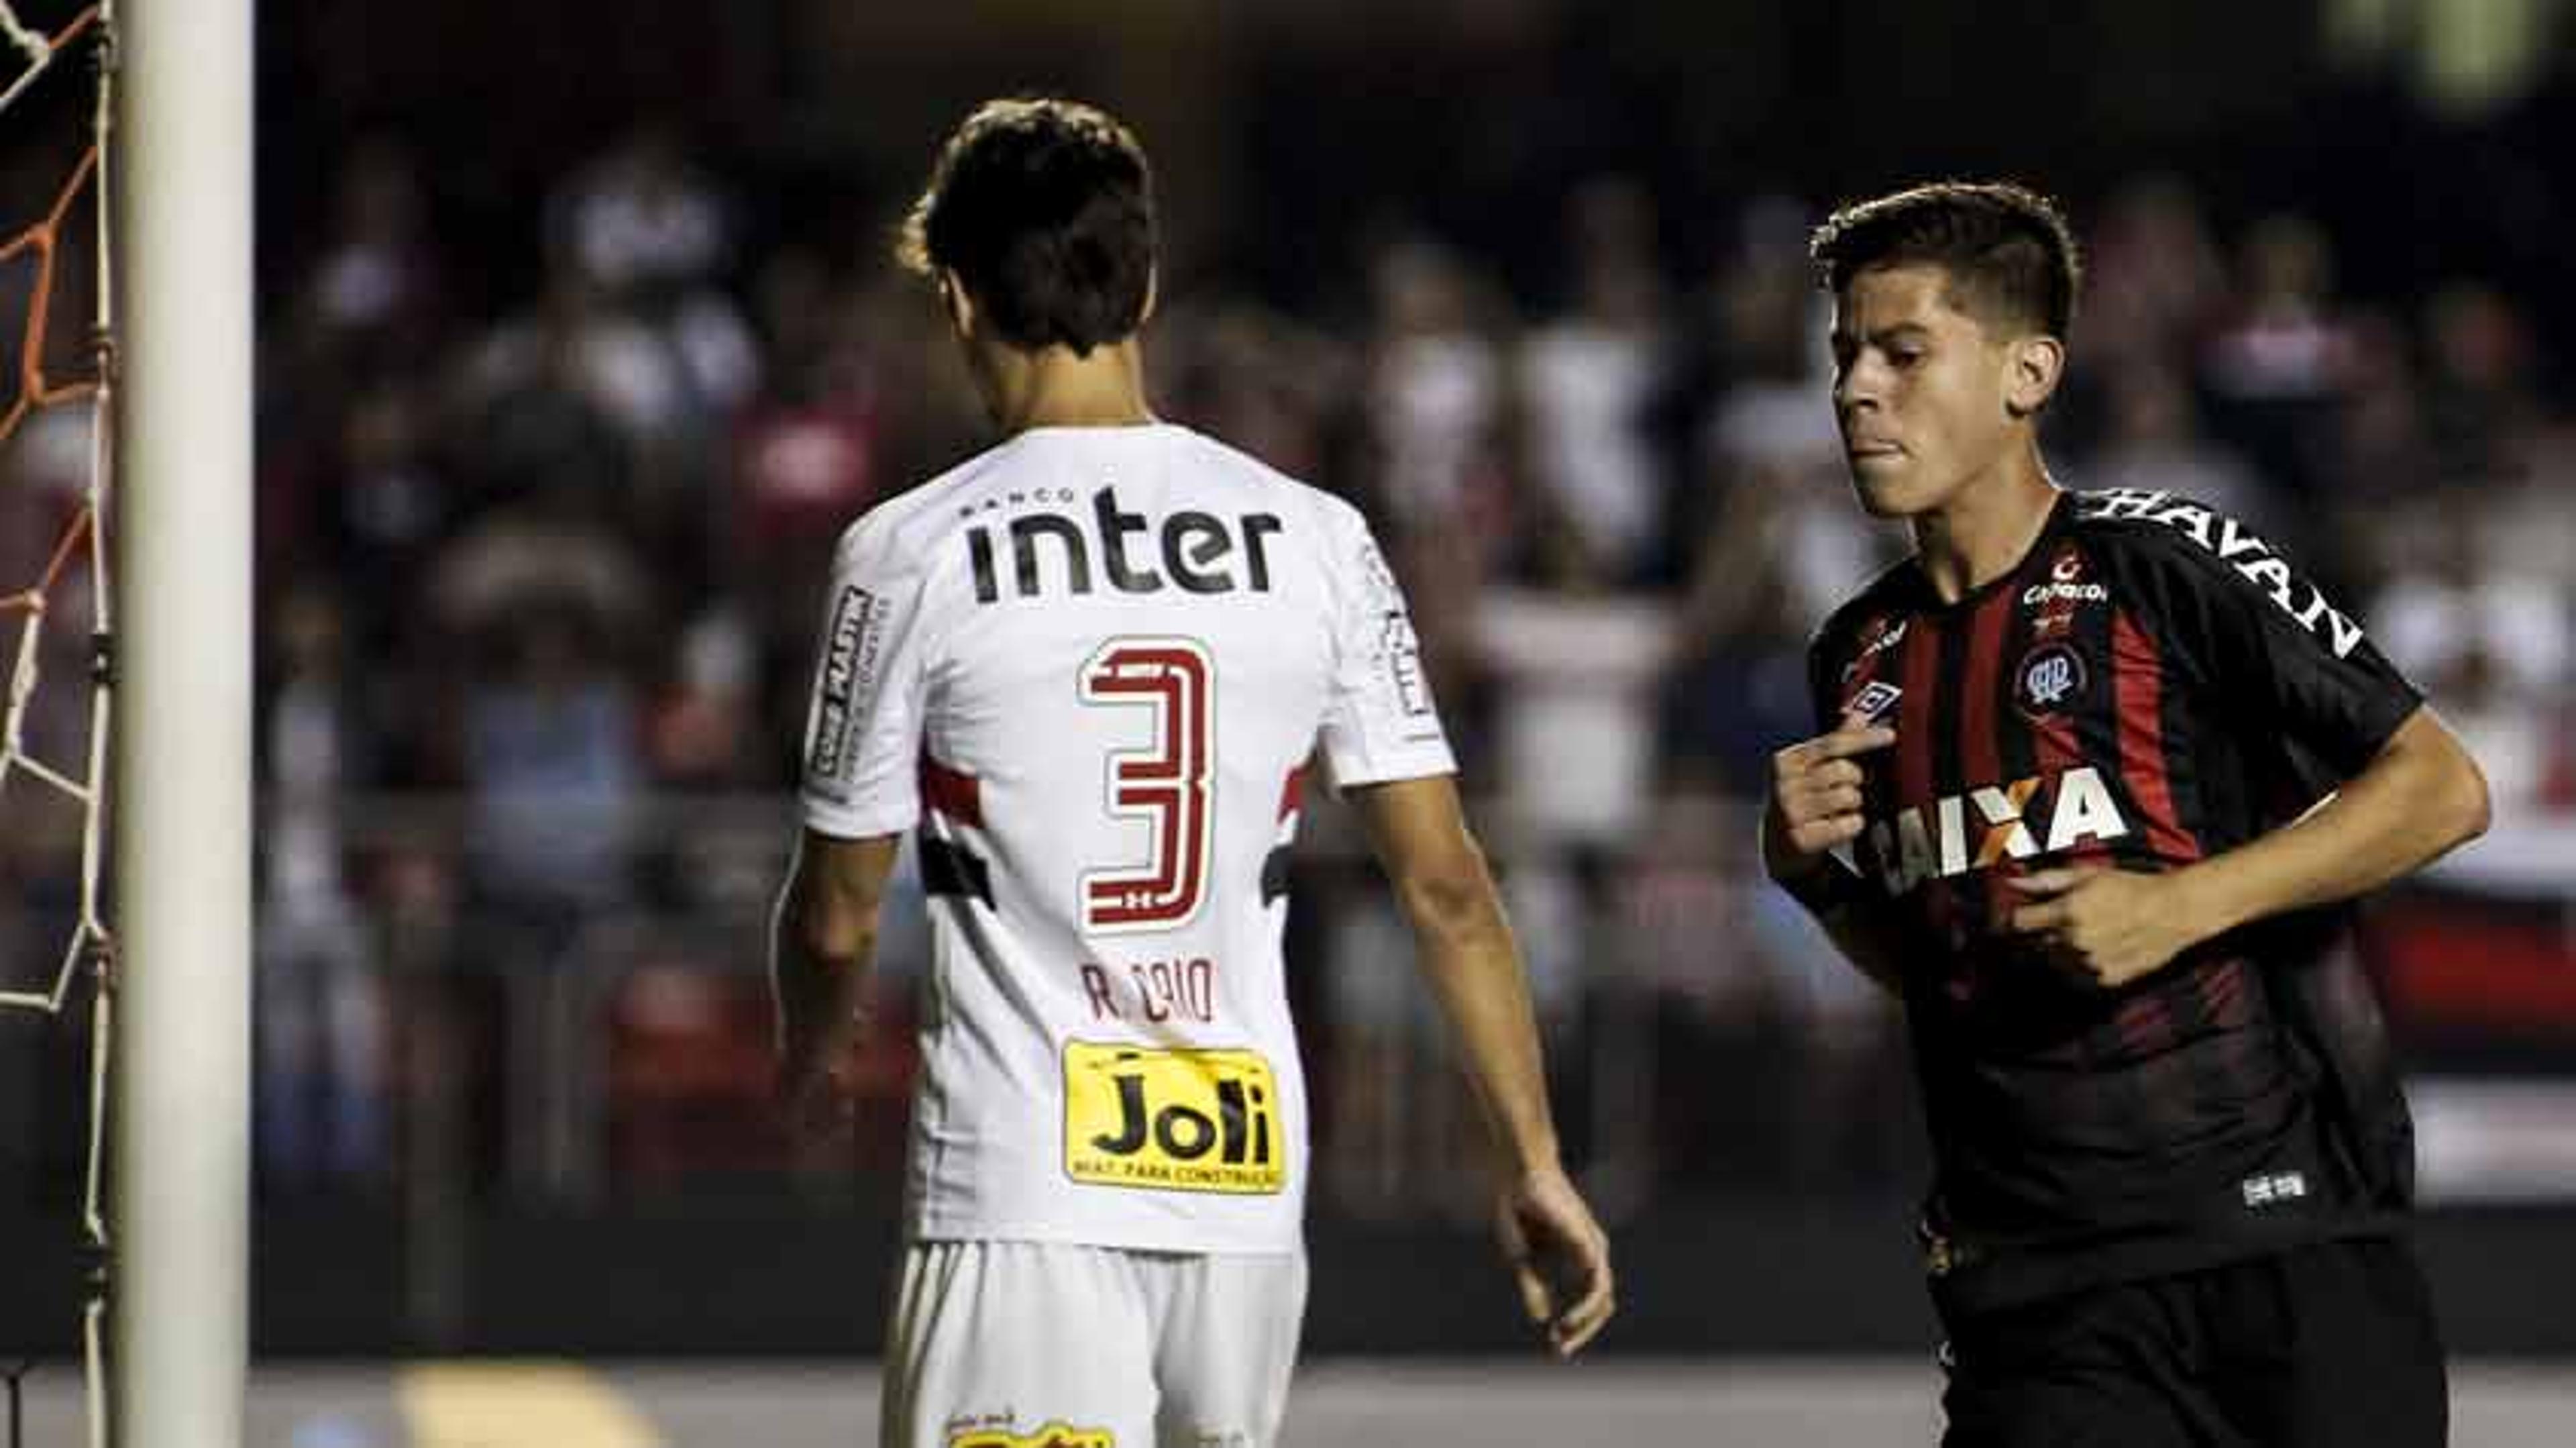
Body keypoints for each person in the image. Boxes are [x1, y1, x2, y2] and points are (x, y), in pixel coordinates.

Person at [769, 97, 1613, 1448]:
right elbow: (1448, 885)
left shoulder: (910, 550)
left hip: (1022, 1181)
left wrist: (809, 1057)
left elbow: (838, 912)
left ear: (960, 298)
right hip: (1240, 1196)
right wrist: (1532, 1160)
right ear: (1147, 285)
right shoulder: (1318, 538)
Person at [1762, 181, 2489, 1447]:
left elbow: (2440, 785)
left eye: (1903, 352)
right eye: (1844, 358)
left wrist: (2178, 906)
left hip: (2283, 1246)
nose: (1856, 391)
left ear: (2028, 370)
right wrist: (1814, 876)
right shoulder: (1854, 652)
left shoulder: (2165, 562)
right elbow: (1933, 960)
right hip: (2040, 1293)